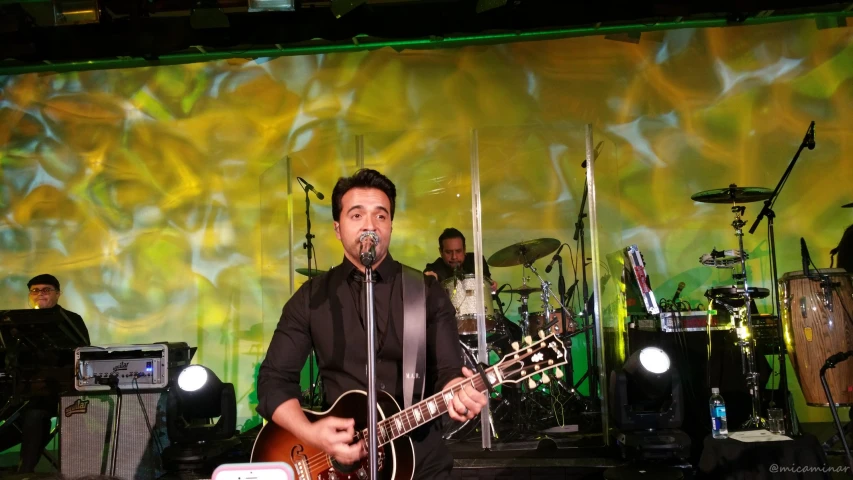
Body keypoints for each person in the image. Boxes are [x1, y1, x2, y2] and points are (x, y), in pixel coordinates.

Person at [256, 169, 487, 479]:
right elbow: (273, 380)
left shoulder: (426, 292)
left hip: (419, 460)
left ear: (390, 225)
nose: (370, 225)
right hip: (335, 463)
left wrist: (456, 389)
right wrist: (312, 435)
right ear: (338, 229)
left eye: (381, 216)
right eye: (356, 215)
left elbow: (448, 373)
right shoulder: (311, 298)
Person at [0, 274, 89, 473]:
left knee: (35, 414)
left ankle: (25, 472)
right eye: (35, 290)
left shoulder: (70, 320)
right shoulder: (14, 323)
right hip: (18, 387)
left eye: (46, 290)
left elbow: (81, 355)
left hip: (54, 390)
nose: (40, 294)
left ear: (58, 294)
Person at [424, 228, 497, 291]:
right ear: (441, 252)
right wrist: (427, 281)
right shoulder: (435, 269)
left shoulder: (477, 261)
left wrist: (492, 286)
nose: (454, 257)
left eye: (458, 251)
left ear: (464, 250)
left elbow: (489, 293)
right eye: (448, 252)